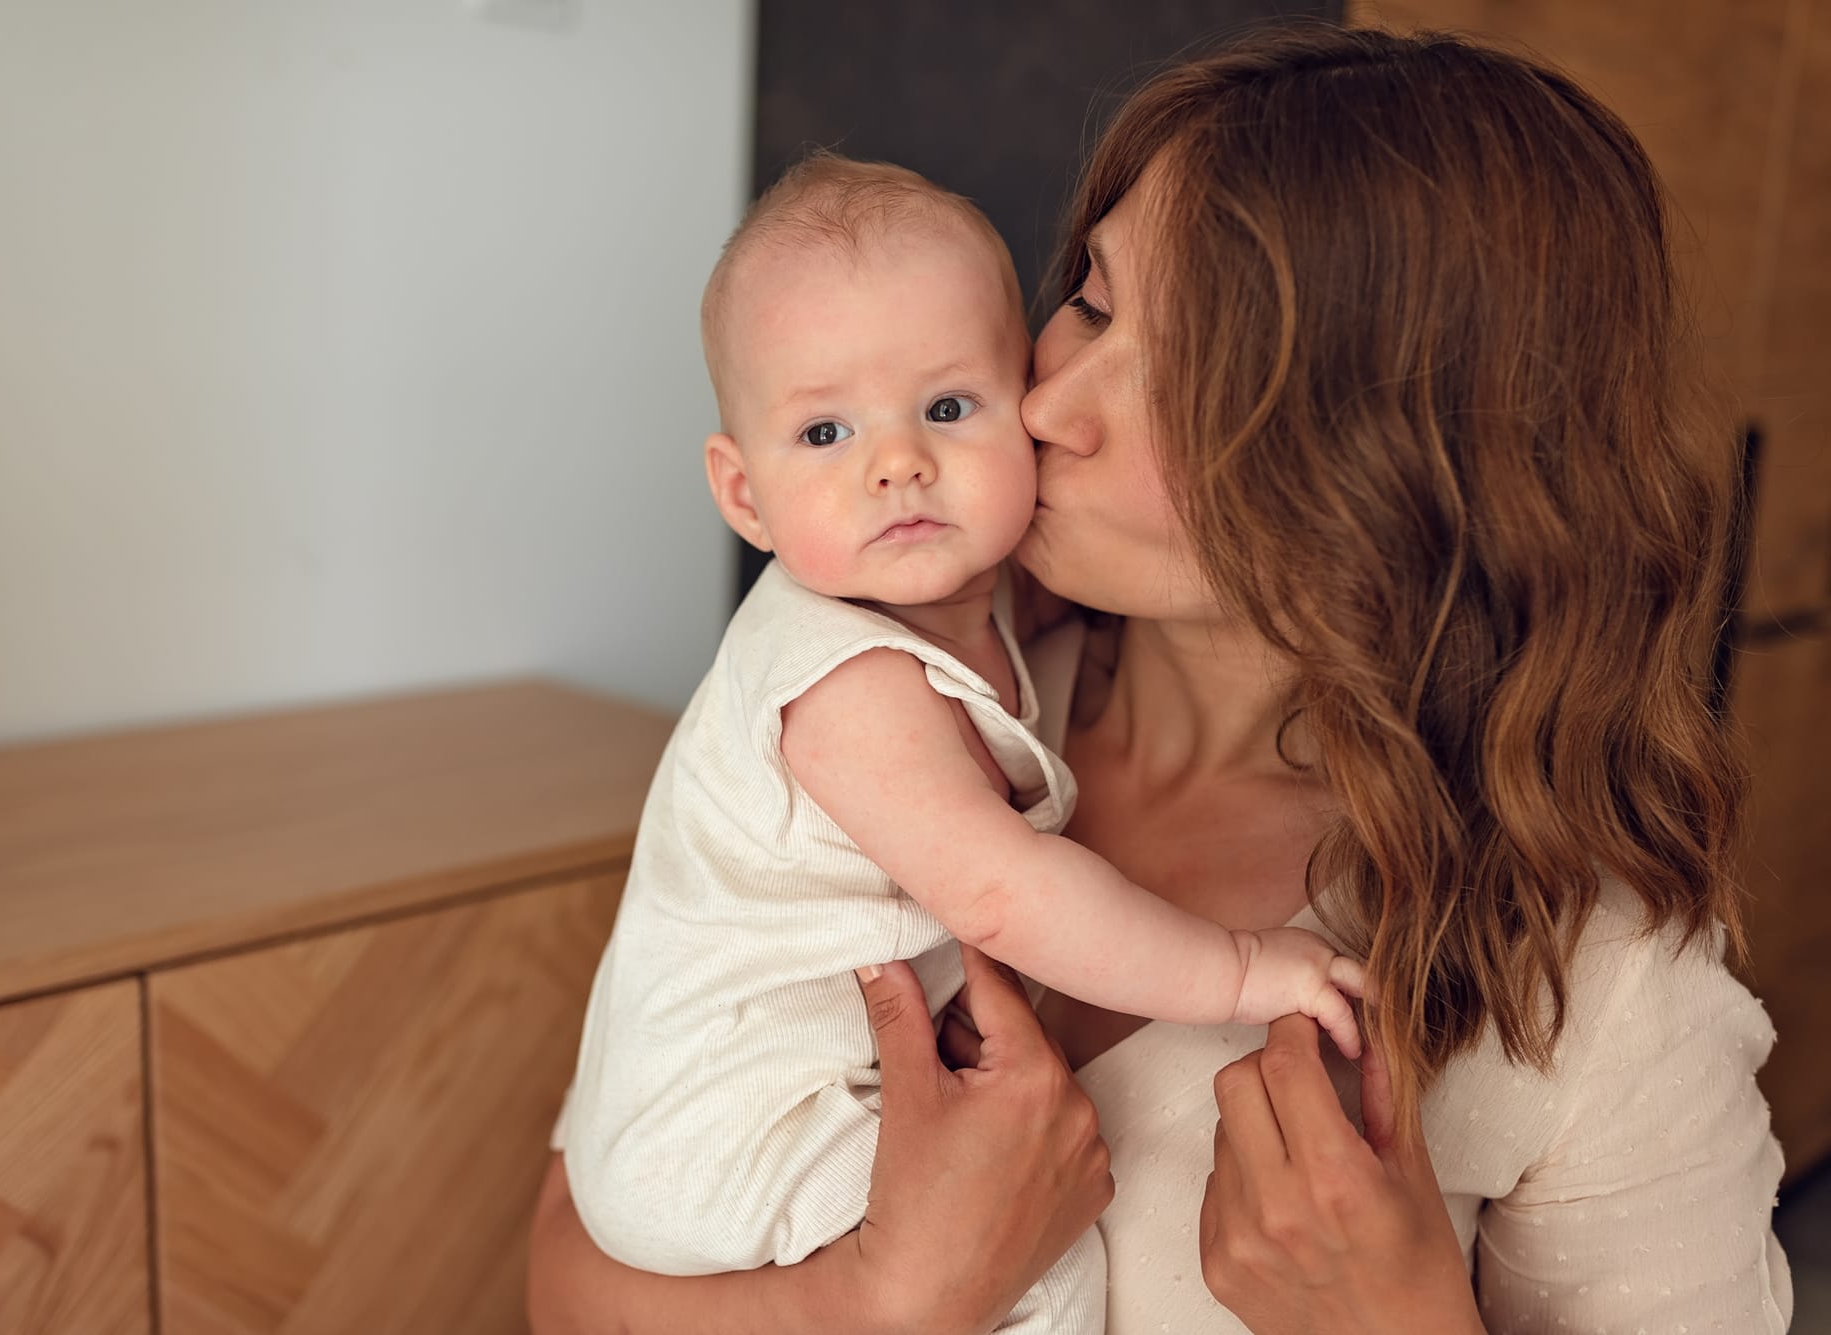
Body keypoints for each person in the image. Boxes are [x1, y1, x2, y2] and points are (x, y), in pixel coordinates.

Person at [528, 22, 1793, 1335]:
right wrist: (883, 1295)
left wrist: (1397, 1318)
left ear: (1400, 469)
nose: (1050, 401)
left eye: (1191, 373)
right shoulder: (908, 698)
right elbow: (566, 1271)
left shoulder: (1593, 978)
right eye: (1087, 299)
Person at [556, 150, 1365, 1335]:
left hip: (746, 1110)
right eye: (825, 431)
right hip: (728, 1134)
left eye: (945, 408)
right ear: (742, 496)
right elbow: (997, 893)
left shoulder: (974, 617)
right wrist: (1239, 970)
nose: (898, 464)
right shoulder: (844, 680)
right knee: (1038, 1272)